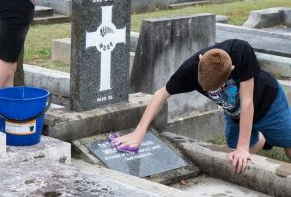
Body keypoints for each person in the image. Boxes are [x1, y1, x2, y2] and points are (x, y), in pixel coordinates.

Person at [111, 39, 291, 173]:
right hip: (234, 114)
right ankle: (260, 138)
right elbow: (161, 94)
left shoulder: (241, 51)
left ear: (232, 69)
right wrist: (139, 132)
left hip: (269, 104)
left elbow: (247, 102)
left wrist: (242, 147)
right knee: (235, 159)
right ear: (200, 60)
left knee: (288, 145)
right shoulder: (190, 69)